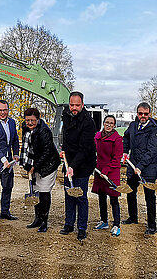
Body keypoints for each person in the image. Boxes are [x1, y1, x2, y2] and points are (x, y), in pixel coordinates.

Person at [59, 91, 96, 241]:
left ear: (82, 105)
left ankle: (81, 228)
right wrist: (64, 151)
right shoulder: (66, 115)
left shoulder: (88, 122)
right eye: (72, 104)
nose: (74, 108)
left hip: (83, 164)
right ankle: (69, 224)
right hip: (69, 162)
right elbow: (66, 138)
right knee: (69, 194)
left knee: (80, 196)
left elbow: (84, 148)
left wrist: (73, 166)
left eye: (77, 105)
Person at [122, 102, 157, 235]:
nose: (142, 116)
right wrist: (125, 152)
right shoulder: (133, 126)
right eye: (140, 114)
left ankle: (152, 225)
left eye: (145, 114)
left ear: (149, 114)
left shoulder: (155, 129)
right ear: (137, 113)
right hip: (133, 165)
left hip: (148, 168)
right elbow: (126, 138)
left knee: (149, 196)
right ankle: (133, 218)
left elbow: (152, 151)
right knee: (130, 192)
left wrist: (140, 166)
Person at [20, 107, 60, 233]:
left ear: (38, 119)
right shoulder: (25, 128)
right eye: (27, 120)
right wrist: (27, 164)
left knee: (44, 192)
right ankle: (37, 219)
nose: (30, 123)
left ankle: (44, 221)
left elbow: (47, 152)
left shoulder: (44, 131)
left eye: (32, 120)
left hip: (49, 164)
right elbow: (27, 147)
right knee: (36, 191)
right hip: (35, 162)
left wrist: (35, 167)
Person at [92, 115, 123, 237]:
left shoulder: (117, 139)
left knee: (113, 199)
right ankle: (104, 221)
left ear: (114, 125)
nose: (109, 125)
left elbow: (117, 158)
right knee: (101, 197)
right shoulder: (98, 137)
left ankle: (116, 224)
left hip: (112, 173)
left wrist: (106, 170)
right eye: (107, 122)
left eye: (111, 123)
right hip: (99, 172)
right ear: (103, 123)